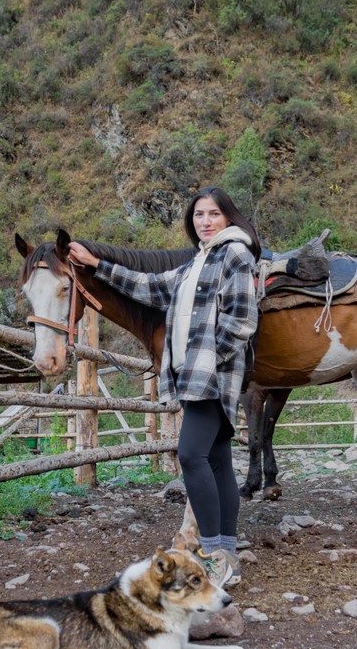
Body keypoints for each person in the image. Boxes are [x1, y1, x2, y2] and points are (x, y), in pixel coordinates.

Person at [68, 186, 261, 588]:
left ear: (229, 218)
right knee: (218, 460)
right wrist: (98, 265)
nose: (205, 222)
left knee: (190, 457)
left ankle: (209, 554)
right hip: (196, 378)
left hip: (209, 378)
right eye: (198, 216)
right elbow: (151, 287)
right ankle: (227, 557)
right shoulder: (197, 263)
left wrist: (203, 362)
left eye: (213, 214)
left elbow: (242, 322)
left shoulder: (236, 254)